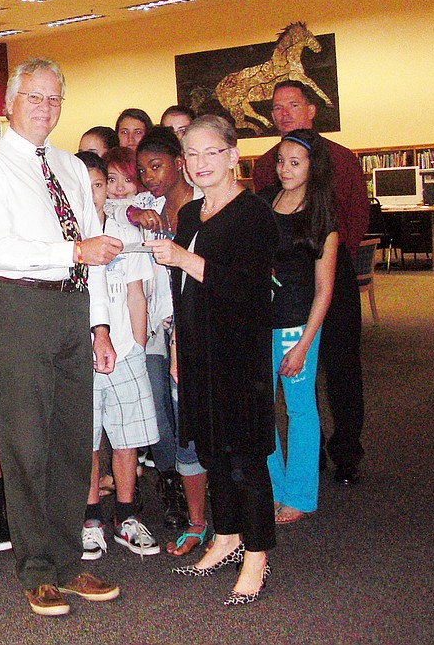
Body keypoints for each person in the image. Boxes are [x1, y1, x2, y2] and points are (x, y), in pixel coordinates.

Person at [0, 58, 122, 617]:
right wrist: (71, 253)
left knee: (73, 441)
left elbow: (94, 245)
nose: (46, 108)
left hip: (73, 306)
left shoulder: (72, 167)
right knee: (26, 442)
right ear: (9, 102)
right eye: (35, 97)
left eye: (55, 99)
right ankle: (36, 568)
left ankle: (69, 558)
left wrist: (99, 324)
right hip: (18, 305)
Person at [146, 114, 278, 605]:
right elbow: (183, 295)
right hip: (198, 350)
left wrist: (184, 260)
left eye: (210, 153)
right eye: (192, 155)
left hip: (238, 354)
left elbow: (248, 288)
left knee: (244, 454)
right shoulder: (189, 214)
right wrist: (178, 346)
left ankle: (258, 553)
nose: (200, 164)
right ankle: (226, 535)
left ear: (231, 156)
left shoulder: (253, 214)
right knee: (212, 449)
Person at [251, 80, 369, 486]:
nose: (284, 113)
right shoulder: (268, 163)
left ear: (312, 110)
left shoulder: (341, 159)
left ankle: (347, 453)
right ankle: (310, 456)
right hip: (284, 286)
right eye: (277, 107)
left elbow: (355, 215)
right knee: (294, 382)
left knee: (341, 366)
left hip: (330, 271)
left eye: (293, 105)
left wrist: (324, 257)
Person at [78, 151, 160, 560]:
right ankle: (91, 516)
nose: (92, 193)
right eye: (84, 185)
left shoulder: (125, 234)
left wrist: (139, 349)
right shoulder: (65, 239)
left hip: (126, 351)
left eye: (99, 184)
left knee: (127, 439)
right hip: (80, 357)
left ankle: (127, 515)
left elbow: (136, 295)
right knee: (87, 438)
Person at [133, 128, 208, 554]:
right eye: (143, 170)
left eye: (156, 166)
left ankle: (215, 503)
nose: (149, 177)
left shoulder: (204, 202)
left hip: (196, 323)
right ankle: (177, 489)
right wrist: (137, 215)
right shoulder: (149, 204)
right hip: (161, 322)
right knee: (163, 412)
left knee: (196, 415)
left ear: (179, 161)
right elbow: (120, 205)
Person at [259, 129, 338, 523]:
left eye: (295, 162)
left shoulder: (320, 217)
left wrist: (304, 345)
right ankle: (273, 487)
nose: (285, 169)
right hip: (260, 322)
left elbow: (324, 290)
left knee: (299, 408)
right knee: (261, 408)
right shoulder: (264, 203)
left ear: (312, 166)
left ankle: (301, 495)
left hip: (296, 324)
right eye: (280, 161)